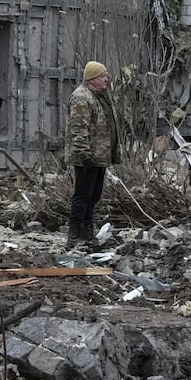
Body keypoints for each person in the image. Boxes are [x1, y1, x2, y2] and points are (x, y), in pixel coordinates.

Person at [65, 60, 120, 249]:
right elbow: (78, 128)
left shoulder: (99, 96)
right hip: (87, 158)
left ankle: (87, 234)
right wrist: (84, 155)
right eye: (103, 76)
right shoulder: (81, 98)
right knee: (82, 196)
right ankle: (74, 236)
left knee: (93, 196)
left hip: (100, 157)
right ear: (92, 79)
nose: (106, 79)